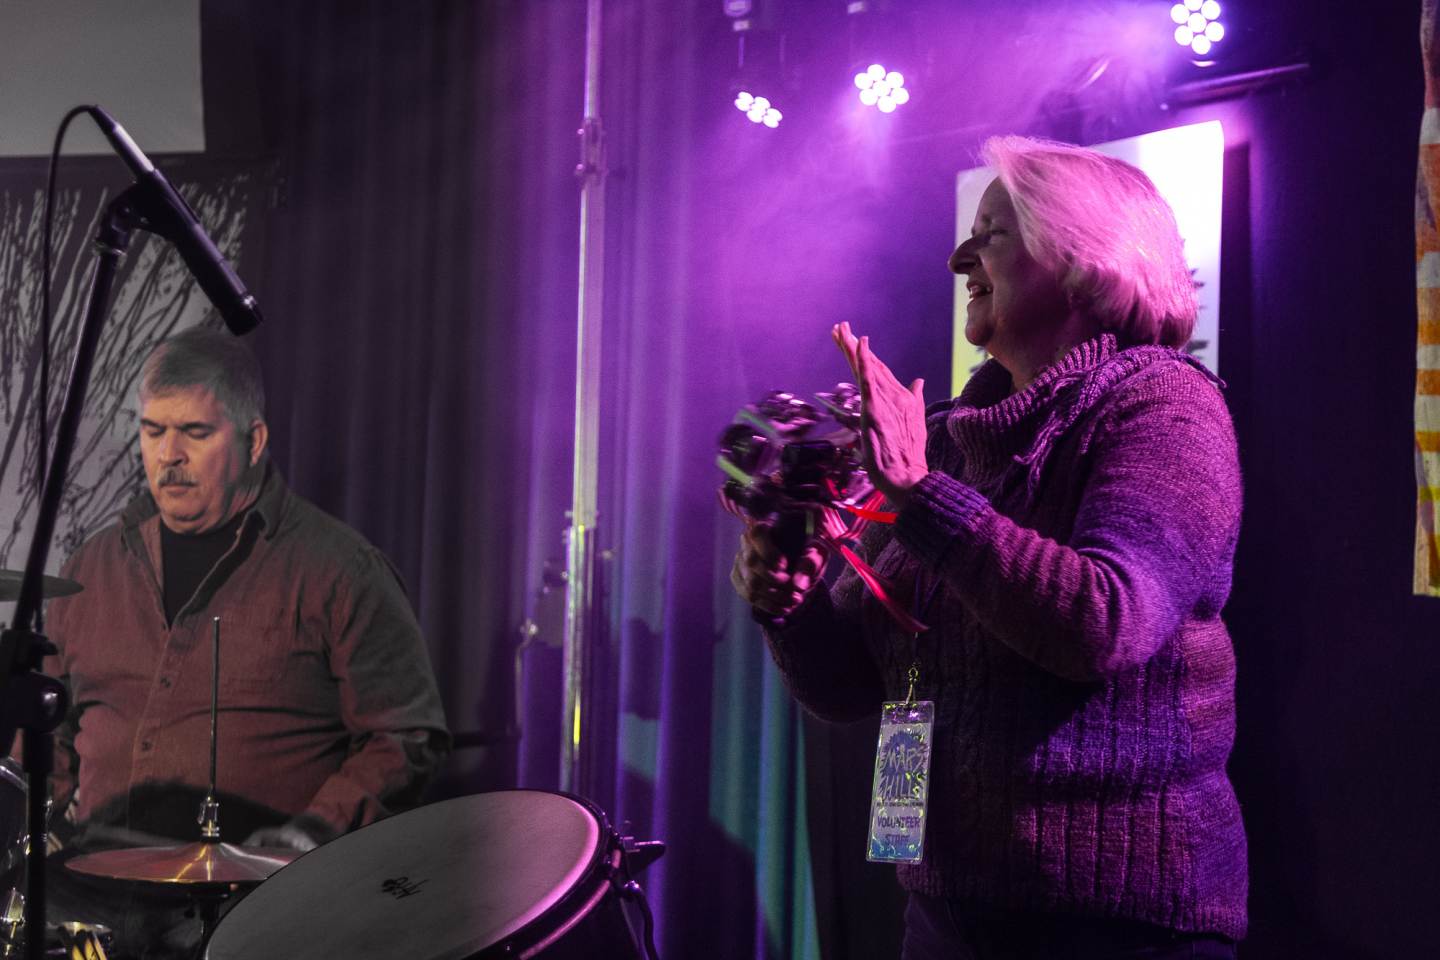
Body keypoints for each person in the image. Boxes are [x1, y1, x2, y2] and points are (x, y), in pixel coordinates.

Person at [732, 137, 1246, 958]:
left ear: (1083, 260)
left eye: (992, 235)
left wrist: (918, 494)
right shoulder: (944, 444)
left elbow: (1104, 624)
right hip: (946, 912)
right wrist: (791, 606)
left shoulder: (1162, 402)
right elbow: (852, 687)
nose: (958, 258)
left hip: (1112, 924)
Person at [40, 327, 450, 956]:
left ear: (253, 440)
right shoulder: (91, 568)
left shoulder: (339, 571)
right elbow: (50, 730)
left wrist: (310, 834)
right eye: (153, 431)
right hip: (91, 892)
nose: (168, 455)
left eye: (194, 433)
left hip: (247, 904)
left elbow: (405, 736)